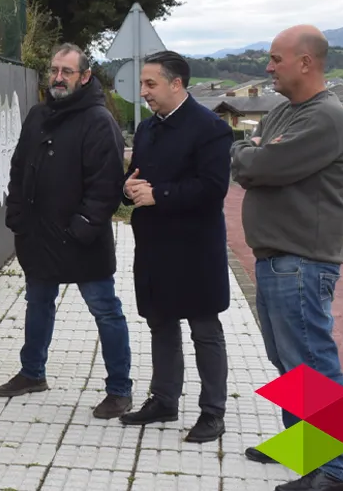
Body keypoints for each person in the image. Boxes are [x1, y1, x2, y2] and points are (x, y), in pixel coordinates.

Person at [231, 25, 343, 491]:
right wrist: (254, 153)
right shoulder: (284, 112)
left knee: (311, 364)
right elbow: (249, 155)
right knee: (286, 359)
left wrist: (256, 155)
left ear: (306, 62)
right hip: (277, 259)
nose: (268, 67)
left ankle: (335, 470)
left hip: (301, 261)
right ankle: (305, 446)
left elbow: (259, 165)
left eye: (276, 59)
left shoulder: (325, 119)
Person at [0, 43, 133, 419]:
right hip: (37, 237)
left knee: (105, 310)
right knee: (37, 304)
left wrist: (80, 229)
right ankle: (32, 374)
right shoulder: (38, 115)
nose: (58, 78)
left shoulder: (98, 120)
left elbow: (106, 187)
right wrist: (17, 216)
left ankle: (120, 390)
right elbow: (18, 168)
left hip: (81, 241)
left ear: (85, 76)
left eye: (67, 72)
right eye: (54, 70)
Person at [117, 51, 233, 444]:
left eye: (150, 84)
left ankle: (212, 412)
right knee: (160, 322)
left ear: (176, 83)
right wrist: (130, 189)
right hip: (154, 245)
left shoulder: (211, 127)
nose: (143, 92)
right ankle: (164, 399)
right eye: (143, 84)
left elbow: (213, 187)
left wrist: (159, 194)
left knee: (204, 329)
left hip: (195, 248)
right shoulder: (148, 129)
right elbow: (139, 179)